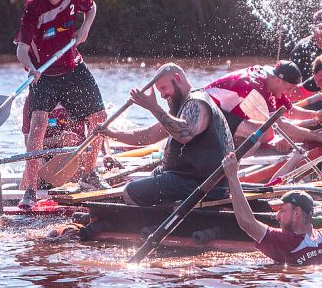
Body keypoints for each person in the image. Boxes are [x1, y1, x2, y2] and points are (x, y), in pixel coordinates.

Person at [15, 0, 107, 210]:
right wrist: (31, 68)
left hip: (73, 67)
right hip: (44, 75)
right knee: (38, 127)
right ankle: (31, 191)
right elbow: (21, 49)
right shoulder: (34, 5)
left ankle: (89, 175)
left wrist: (85, 28)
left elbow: (92, 8)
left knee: (100, 117)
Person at [97, 64, 234, 206]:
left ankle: (150, 223)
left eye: (163, 88)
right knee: (156, 174)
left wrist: (153, 107)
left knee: (131, 191)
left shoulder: (196, 102)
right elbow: (148, 135)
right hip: (189, 178)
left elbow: (185, 134)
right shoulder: (181, 106)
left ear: (177, 78)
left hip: (206, 185)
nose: (162, 95)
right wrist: (110, 134)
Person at [222, 152, 322, 265]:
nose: (277, 216)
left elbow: (247, 223)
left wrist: (232, 177)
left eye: (282, 210)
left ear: (297, 212)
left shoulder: (287, 241)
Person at [204, 61, 322, 150]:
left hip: (222, 113)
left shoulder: (271, 81)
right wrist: (317, 136)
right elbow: (279, 125)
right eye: (290, 88)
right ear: (278, 80)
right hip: (207, 111)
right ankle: (231, 142)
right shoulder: (255, 87)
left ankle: (235, 139)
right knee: (267, 134)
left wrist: (315, 115)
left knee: (266, 132)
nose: (290, 93)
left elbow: (289, 111)